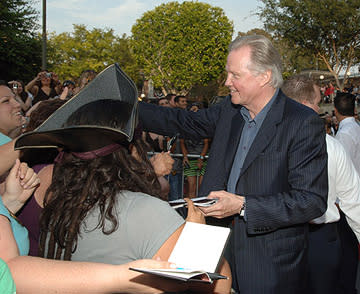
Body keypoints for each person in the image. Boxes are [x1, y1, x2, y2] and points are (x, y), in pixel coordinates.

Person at [15, 64, 231, 293]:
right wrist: (197, 236)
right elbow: (217, 286)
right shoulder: (143, 211)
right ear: (131, 149)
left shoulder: (44, 192)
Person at [139, 34, 328, 294]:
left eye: (234, 75)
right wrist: (127, 110)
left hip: (268, 262)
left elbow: (311, 201)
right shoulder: (229, 110)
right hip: (212, 246)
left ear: (264, 77)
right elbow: (184, 122)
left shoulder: (301, 122)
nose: (227, 82)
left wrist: (243, 205)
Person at [282, 75, 360, 294]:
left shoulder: (267, 144)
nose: (319, 109)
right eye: (317, 103)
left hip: (303, 239)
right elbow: (354, 203)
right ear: (307, 106)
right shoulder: (331, 146)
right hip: (312, 240)